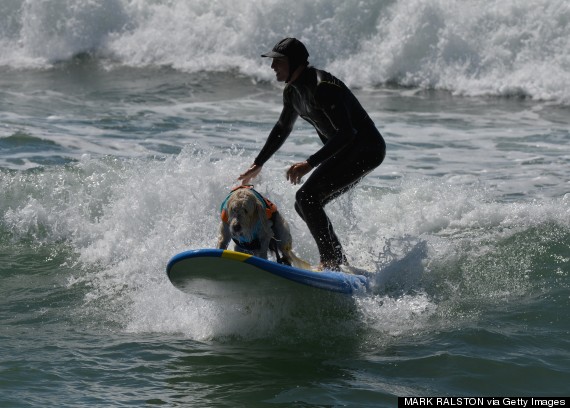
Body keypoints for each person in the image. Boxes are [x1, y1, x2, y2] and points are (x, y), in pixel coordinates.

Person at [238, 37, 386, 271]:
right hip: (345, 151)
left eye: (279, 61)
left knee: (307, 198)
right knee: (305, 203)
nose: (272, 67)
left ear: (295, 63)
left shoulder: (323, 87)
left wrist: (309, 164)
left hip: (366, 150)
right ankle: (338, 259)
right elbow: (282, 128)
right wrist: (259, 163)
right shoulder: (292, 91)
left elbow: (347, 133)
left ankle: (331, 262)